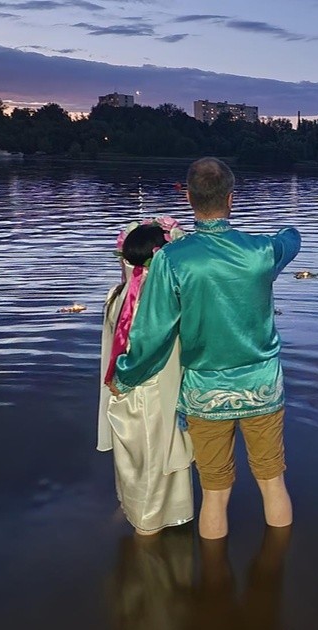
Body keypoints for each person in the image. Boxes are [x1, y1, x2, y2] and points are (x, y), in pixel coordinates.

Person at [109, 157, 301, 540]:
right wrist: (286, 228)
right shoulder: (261, 252)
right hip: (262, 386)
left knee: (214, 493)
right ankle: (274, 580)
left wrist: (125, 375)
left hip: (205, 394)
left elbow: (153, 332)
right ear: (231, 198)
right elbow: (291, 238)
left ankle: (214, 586)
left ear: (189, 198)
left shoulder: (171, 260)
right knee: (272, 481)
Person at [97, 217, 195, 535]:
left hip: (121, 395)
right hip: (153, 395)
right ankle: (148, 528)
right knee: (156, 462)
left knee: (133, 462)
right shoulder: (164, 303)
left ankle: (132, 508)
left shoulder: (117, 295)